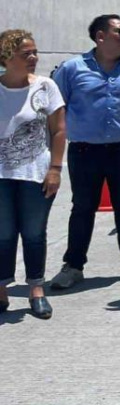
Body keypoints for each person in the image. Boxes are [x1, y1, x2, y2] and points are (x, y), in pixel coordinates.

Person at [50, 14, 120, 291]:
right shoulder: (72, 69)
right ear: (100, 36)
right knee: (83, 208)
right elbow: (57, 107)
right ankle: (73, 266)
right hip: (84, 151)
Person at [0, 30, 65, 319]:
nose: (34, 58)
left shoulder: (45, 86)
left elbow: (59, 130)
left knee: (34, 233)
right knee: (2, 234)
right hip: (2, 176)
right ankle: (1, 290)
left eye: (35, 52)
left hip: (36, 173)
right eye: (26, 53)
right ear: (6, 57)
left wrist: (55, 169)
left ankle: (36, 290)